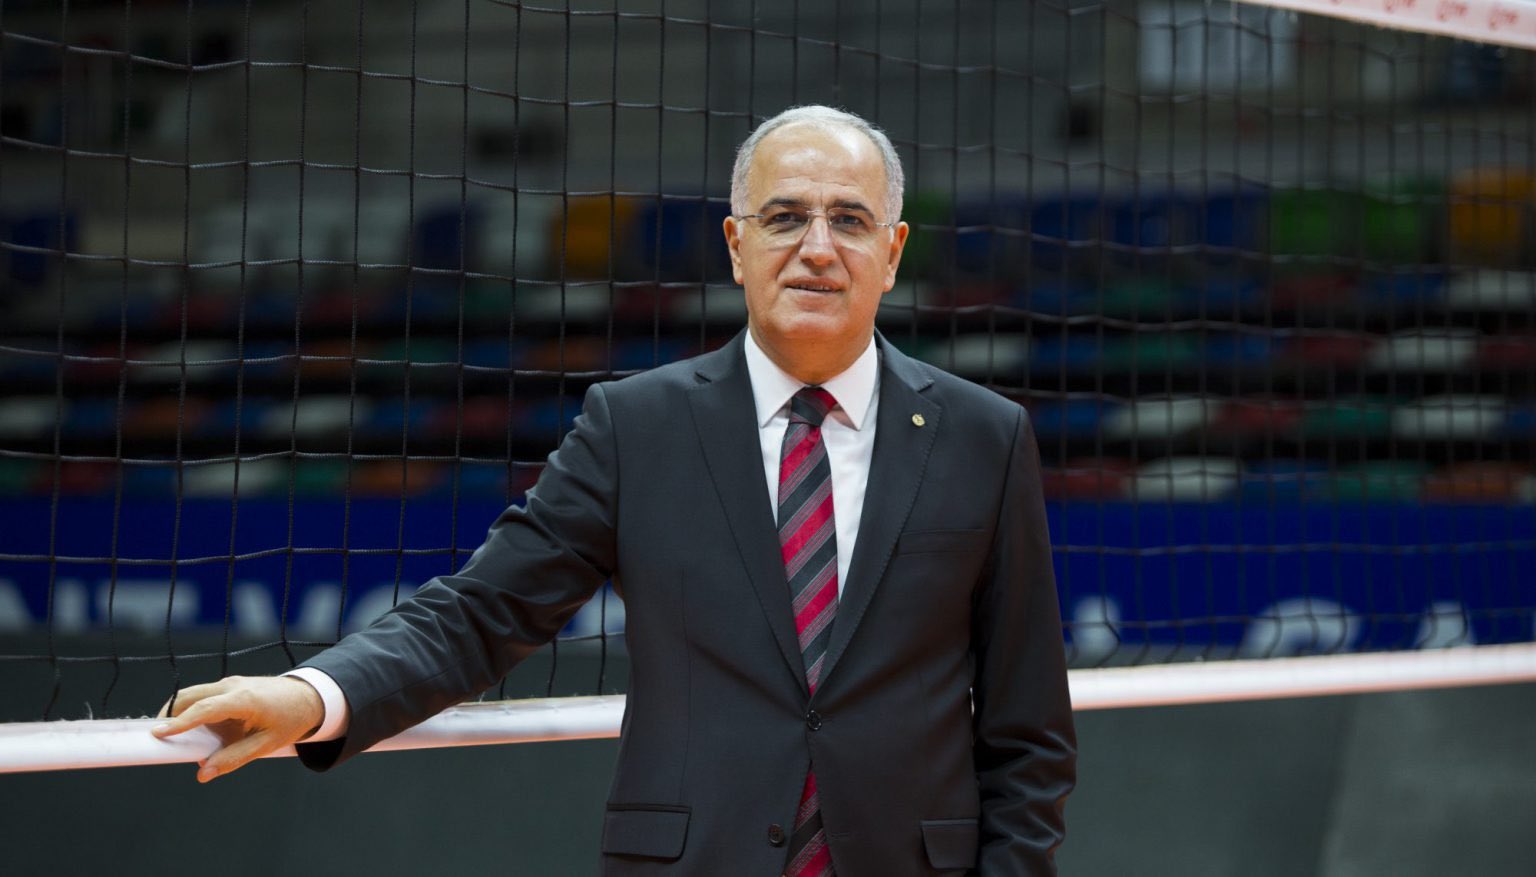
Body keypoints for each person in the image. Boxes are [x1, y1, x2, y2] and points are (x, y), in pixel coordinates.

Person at [153, 105, 1076, 876]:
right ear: (737, 244)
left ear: (894, 249)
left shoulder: (984, 436)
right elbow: (482, 610)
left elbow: (1027, 729)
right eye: (785, 217)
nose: (817, 248)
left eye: (850, 219)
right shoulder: (635, 426)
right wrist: (316, 694)